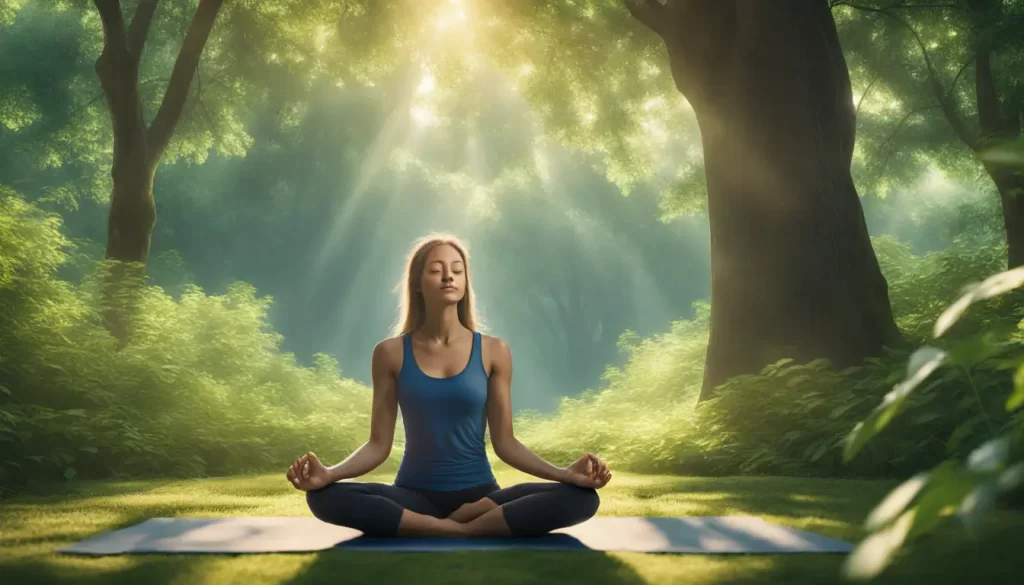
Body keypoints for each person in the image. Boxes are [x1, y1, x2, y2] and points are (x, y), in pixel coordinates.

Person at [286, 233, 612, 538]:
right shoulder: (389, 354)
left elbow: (506, 443)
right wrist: (329, 474)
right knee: (322, 498)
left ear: (465, 281)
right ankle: (459, 529)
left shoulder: (494, 351)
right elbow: (378, 446)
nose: (448, 277)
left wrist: (565, 475)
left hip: (481, 496)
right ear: (416, 283)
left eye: (457, 270)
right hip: (412, 496)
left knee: (582, 498)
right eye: (436, 270)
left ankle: (466, 523)